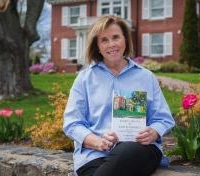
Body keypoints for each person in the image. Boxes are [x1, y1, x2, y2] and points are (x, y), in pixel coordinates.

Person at [63, 15, 175, 176]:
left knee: (127, 149)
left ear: (125, 39)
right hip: (94, 155)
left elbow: (164, 118)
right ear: (98, 46)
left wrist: (154, 132)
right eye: (104, 40)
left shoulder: (146, 77)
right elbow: (72, 123)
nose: (112, 44)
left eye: (116, 37)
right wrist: (97, 142)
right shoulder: (84, 79)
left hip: (139, 150)